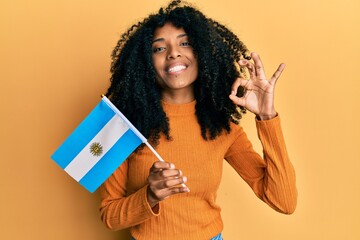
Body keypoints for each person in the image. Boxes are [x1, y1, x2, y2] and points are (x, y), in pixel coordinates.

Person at [99, 1, 297, 239]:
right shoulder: (125, 125)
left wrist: (267, 116)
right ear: (145, 63)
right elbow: (110, 216)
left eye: (185, 43)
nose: (174, 52)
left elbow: (283, 202)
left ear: (202, 52)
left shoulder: (221, 128)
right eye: (159, 48)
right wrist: (150, 195)